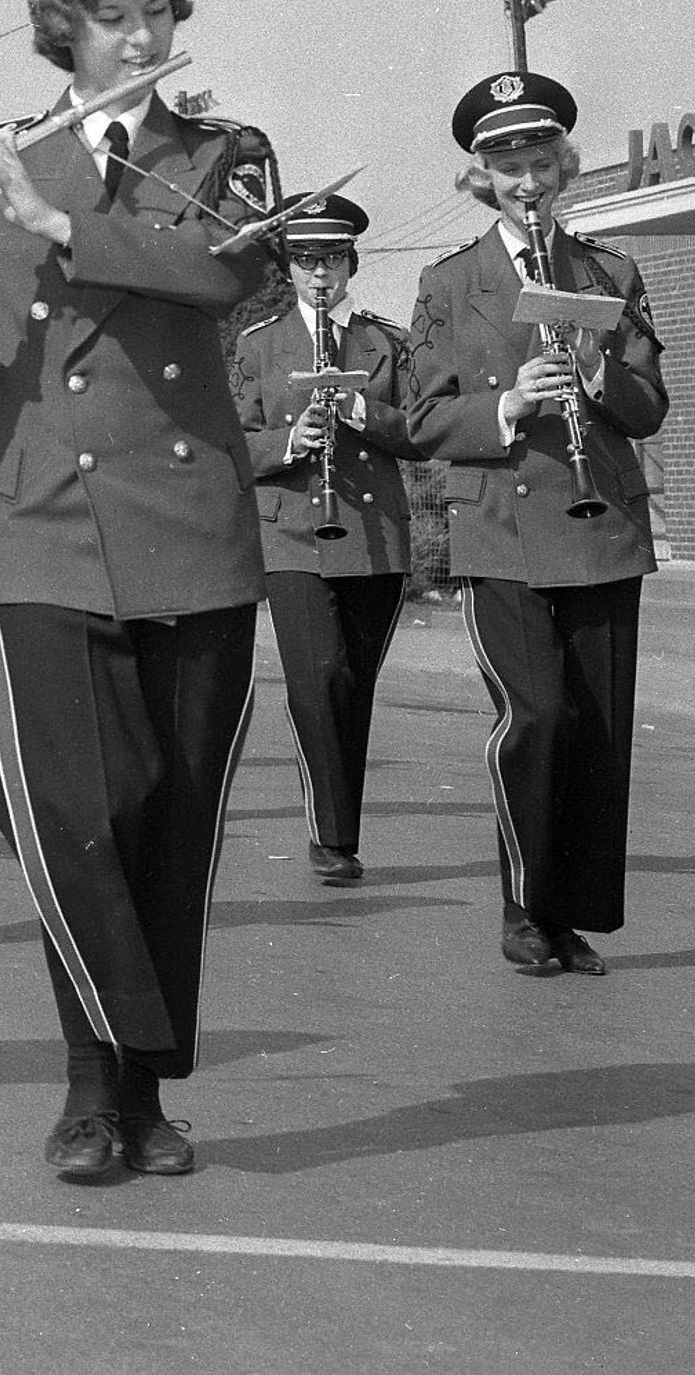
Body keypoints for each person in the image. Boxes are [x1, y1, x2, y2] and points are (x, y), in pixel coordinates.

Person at [0, 0, 276, 1184]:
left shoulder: (223, 155)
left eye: (157, 9)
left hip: (187, 522)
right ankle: (91, 1082)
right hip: (39, 519)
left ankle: (142, 1101)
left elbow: (227, 271)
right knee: (69, 813)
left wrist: (68, 221)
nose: (143, 38)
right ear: (61, 28)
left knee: (168, 813)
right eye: (113, 17)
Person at [403, 67, 668, 983]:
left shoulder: (611, 271)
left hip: (601, 528)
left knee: (596, 728)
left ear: (564, 164)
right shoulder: (449, 283)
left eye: (542, 161)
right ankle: (523, 904)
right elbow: (418, 417)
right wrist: (509, 403)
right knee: (539, 714)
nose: (528, 181)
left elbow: (648, 405)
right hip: (504, 535)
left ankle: (572, 916)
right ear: (481, 174)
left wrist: (601, 379)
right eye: (507, 164)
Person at [229, 192, 426, 885]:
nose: (320, 274)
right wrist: (291, 440)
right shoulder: (258, 346)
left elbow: (422, 432)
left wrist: (361, 410)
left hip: (373, 537)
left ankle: (345, 825)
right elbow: (230, 444)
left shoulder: (386, 342)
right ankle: (331, 836)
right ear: (288, 266)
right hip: (292, 536)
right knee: (318, 681)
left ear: (352, 263)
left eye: (333, 260)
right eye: (306, 260)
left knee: (354, 688)